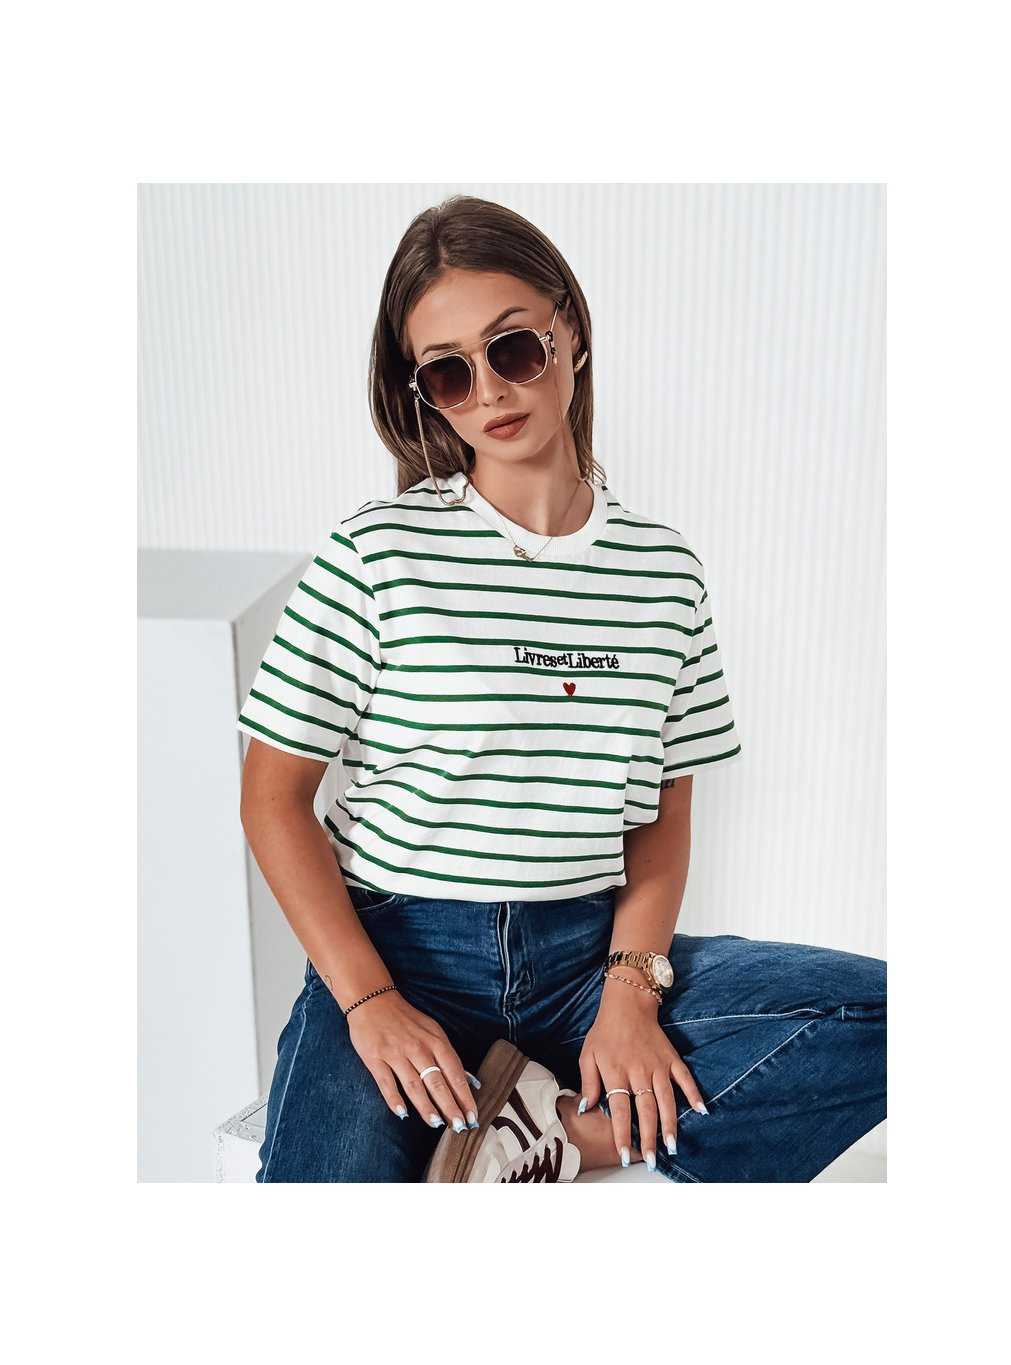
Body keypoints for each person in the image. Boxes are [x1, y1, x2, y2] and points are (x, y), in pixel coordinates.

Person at [237, 194, 886, 1183]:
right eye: (448, 372)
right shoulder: (376, 554)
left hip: (586, 956)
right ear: (424, 393)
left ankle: (558, 1129)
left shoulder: (663, 572)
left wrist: (630, 992)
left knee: (887, 1016)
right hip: (402, 948)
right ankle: (529, 1105)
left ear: (569, 331)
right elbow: (271, 797)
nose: (490, 390)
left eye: (514, 348)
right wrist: (369, 1002)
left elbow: (663, 811)